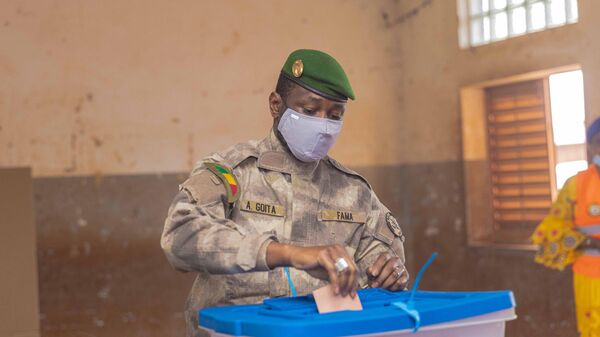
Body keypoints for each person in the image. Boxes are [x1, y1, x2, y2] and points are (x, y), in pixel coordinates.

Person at [161, 49, 409, 337]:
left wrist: (391, 275)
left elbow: (380, 274)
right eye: (309, 110)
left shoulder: (354, 193)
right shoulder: (233, 173)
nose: (323, 123)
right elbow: (180, 237)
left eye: (335, 115)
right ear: (276, 105)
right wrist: (288, 254)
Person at [532, 117, 600, 337]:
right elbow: (551, 233)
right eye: (599, 141)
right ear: (591, 146)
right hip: (590, 278)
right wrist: (587, 241)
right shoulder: (576, 186)